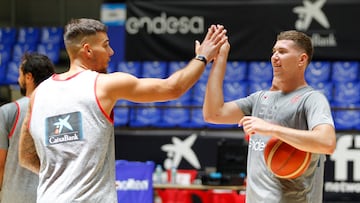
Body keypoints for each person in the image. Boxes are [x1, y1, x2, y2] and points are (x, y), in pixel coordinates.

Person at [18, 18, 227, 202]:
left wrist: (69, 179)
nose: (111, 52)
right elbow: (172, 88)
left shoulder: (39, 93)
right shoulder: (104, 84)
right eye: (106, 45)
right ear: (88, 50)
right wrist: (203, 57)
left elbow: (26, 157)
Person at [202, 30, 336, 203]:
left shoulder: (312, 99)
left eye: (282, 52)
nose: (274, 57)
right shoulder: (259, 98)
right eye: (274, 51)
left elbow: (327, 142)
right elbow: (213, 114)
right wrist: (219, 59)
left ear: (302, 60)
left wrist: (270, 128)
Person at [0, 53, 55, 203]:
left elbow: (0, 163)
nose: (18, 80)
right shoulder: (61, 109)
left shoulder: (9, 111)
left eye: (20, 75)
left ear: (29, 77)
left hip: (15, 196)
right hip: (52, 195)